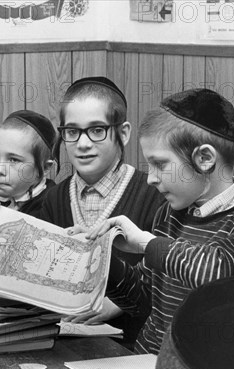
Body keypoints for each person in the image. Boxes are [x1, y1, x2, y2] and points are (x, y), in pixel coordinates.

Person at [82, 88, 234, 354]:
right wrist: (101, 258)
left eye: (160, 164)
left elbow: (217, 272)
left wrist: (147, 243)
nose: (151, 178)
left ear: (204, 159)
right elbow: (143, 302)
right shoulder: (168, 216)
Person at [39, 76, 164, 345]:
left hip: (134, 345)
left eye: (97, 130)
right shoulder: (53, 198)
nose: (83, 144)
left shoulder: (154, 194)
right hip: (64, 343)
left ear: (124, 132)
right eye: (72, 132)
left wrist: (116, 304)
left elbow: (168, 272)